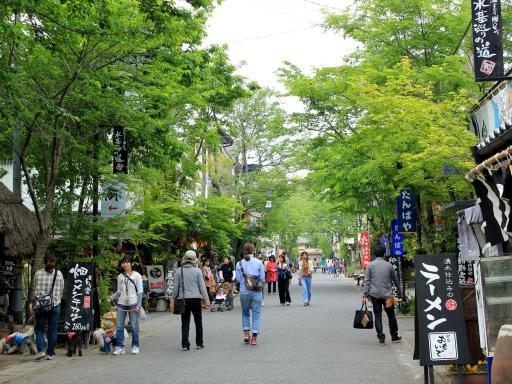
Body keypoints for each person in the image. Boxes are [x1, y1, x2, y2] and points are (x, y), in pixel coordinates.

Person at [362, 245, 402, 345]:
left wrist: (365, 295)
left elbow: (366, 281)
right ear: (384, 254)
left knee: (378, 316)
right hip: (387, 296)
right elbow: (395, 280)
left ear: (375, 254)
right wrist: (400, 292)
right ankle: (394, 336)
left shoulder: (370, 266)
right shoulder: (389, 265)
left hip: (374, 295)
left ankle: (381, 338)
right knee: (391, 315)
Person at [173, 250, 210, 351]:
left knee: (185, 322)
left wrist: (173, 298)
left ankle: (185, 345)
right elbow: (202, 287)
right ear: (194, 259)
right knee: (198, 321)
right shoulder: (197, 271)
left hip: (183, 299)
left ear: (184, 258)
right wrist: (207, 299)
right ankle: (199, 343)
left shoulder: (179, 271)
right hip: (195, 299)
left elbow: (175, 287)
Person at [32, 254, 65, 360]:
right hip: (55, 305)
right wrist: (56, 299)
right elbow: (61, 290)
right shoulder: (58, 274)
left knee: (39, 329)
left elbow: (34, 288)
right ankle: (50, 353)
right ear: (55, 263)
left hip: (41, 305)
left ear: (44, 263)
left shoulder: (38, 273)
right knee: (53, 330)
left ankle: (41, 351)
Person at [109, 255, 143, 355]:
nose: (125, 264)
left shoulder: (137, 275)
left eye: (127, 262)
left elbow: (140, 292)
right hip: (121, 304)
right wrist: (112, 297)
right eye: (123, 262)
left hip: (133, 303)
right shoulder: (120, 276)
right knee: (119, 326)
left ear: (131, 263)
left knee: (133, 326)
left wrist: (138, 306)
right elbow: (119, 291)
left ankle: (135, 346)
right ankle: (120, 347)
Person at [235, 243, 265, 345]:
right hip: (256, 292)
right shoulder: (259, 262)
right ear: (253, 251)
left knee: (245, 313)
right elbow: (262, 278)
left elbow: (238, 279)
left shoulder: (239, 264)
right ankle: (254, 338)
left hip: (244, 292)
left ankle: (246, 335)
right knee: (256, 315)